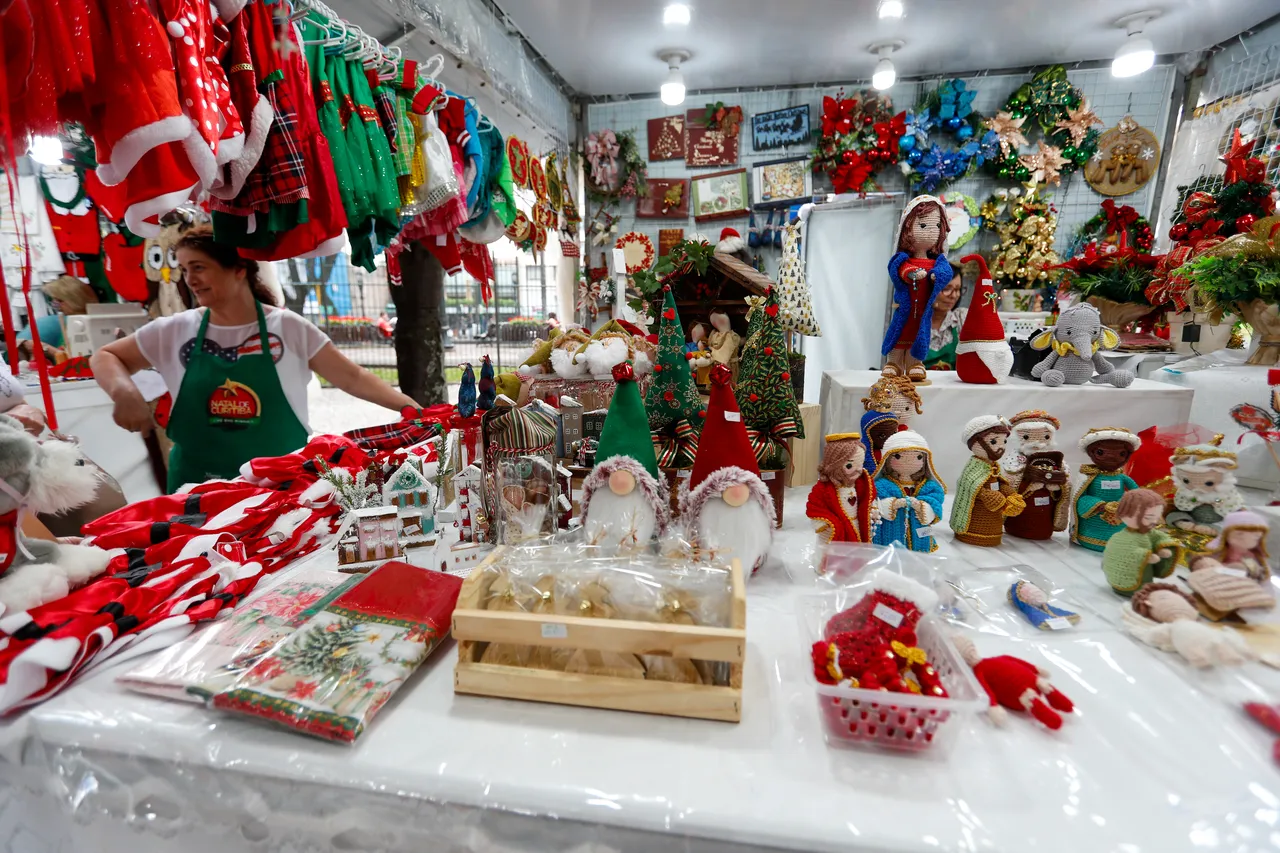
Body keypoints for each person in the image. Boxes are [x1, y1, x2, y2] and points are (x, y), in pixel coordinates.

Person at [91, 227, 419, 493]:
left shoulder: (286, 327)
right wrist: (124, 392)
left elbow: (353, 378)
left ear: (238, 270)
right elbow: (106, 356)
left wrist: (411, 410)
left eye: (199, 267)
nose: (189, 279)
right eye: (185, 269)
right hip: (197, 490)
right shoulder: (176, 330)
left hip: (279, 487)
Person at [924, 273, 965, 369]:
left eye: (957, 289)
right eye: (947, 289)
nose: (954, 295)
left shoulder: (961, 318)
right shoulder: (913, 323)